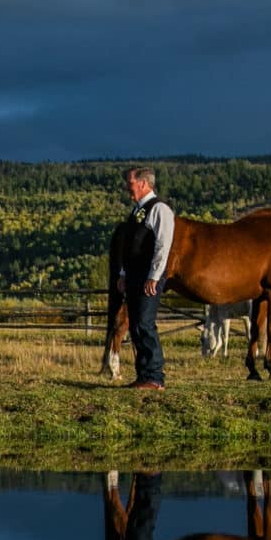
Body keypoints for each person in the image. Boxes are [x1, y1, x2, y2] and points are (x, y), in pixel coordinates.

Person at [120, 166, 175, 391]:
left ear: (143, 184)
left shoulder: (159, 209)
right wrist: (123, 273)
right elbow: (130, 246)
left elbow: (163, 246)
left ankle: (154, 376)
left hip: (148, 277)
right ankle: (142, 374)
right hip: (133, 276)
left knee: (145, 323)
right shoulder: (137, 211)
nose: (127, 188)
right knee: (135, 326)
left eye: (130, 183)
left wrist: (154, 276)